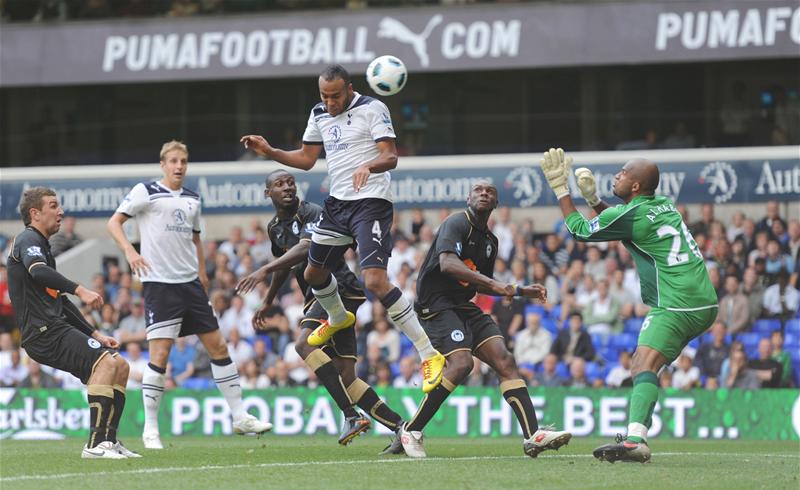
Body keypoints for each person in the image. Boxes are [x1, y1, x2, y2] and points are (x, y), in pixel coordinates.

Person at [240, 64, 444, 393]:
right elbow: (307, 159)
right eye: (325, 95)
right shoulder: (319, 112)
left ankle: (428, 353)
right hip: (338, 204)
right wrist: (271, 152)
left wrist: (368, 165)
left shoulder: (372, 108)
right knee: (313, 274)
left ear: (349, 88)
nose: (330, 102)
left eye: (336, 95)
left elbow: (390, 156)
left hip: (371, 203)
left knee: (375, 281)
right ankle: (337, 316)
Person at [541, 148, 718, 463]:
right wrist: (595, 201)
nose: (618, 175)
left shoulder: (631, 215)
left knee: (641, 366)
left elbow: (578, 231)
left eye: (623, 173)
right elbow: (626, 226)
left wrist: (561, 189)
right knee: (646, 365)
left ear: (635, 186)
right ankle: (636, 435)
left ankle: (636, 440)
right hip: (702, 301)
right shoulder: (663, 206)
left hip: (677, 303)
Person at [107, 141, 271, 449]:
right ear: (163, 164)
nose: (179, 166)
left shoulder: (193, 199)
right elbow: (114, 223)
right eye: (173, 161)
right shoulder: (146, 192)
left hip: (190, 284)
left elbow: (196, 240)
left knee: (219, 346)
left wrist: (203, 273)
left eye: (183, 160)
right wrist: (130, 252)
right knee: (160, 355)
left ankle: (239, 416)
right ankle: (151, 429)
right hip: (160, 284)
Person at [397, 181, 571, 458]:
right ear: (468, 198)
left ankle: (533, 436)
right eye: (478, 190)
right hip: (436, 304)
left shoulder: (491, 242)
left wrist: (519, 290)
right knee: (463, 363)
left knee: (505, 360)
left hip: (462, 306)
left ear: (496, 204)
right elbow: (448, 264)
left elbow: (481, 285)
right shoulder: (456, 223)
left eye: (490, 192)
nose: (484, 193)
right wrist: (499, 285)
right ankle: (412, 430)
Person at [236, 170, 407, 451]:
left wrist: (264, 269)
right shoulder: (275, 227)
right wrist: (268, 300)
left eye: (290, 182)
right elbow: (285, 262)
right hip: (318, 296)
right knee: (347, 376)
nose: (287, 187)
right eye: (280, 184)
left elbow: (306, 249)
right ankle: (402, 429)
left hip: (337, 287)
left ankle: (351, 416)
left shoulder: (313, 212)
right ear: (269, 193)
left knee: (303, 344)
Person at [7, 187, 136, 459]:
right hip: (43, 332)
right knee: (105, 362)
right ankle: (95, 444)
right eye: (53, 206)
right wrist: (81, 289)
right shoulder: (28, 240)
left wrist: (94, 333)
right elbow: (39, 272)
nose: (61, 211)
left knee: (119, 365)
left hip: (53, 328)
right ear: (35, 213)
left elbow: (60, 302)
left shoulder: (43, 247)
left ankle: (109, 442)